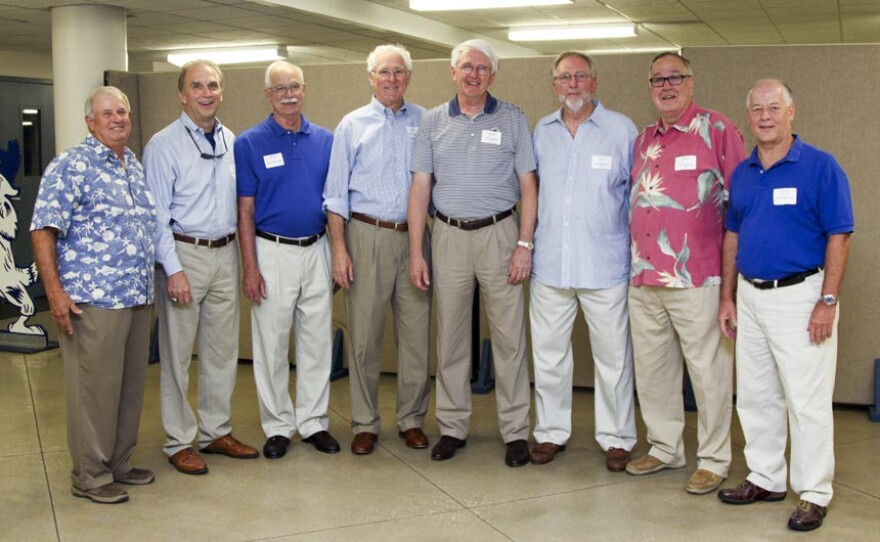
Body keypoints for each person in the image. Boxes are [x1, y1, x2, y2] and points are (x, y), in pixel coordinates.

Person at [717, 79, 853, 532]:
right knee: (756, 396)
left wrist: (827, 301)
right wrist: (727, 296)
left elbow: (839, 234)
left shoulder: (820, 166)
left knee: (807, 401)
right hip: (751, 297)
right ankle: (766, 477)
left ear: (792, 111)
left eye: (774, 107)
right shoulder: (743, 172)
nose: (765, 116)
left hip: (802, 297)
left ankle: (814, 491)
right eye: (756, 109)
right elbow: (733, 235)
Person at [409, 39, 536, 467]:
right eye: (466, 67)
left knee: (509, 338)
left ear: (493, 76)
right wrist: (416, 250)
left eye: (482, 68)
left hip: (501, 234)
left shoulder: (514, 118)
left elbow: (528, 186)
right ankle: (452, 427)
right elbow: (421, 186)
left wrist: (525, 243)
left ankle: (516, 431)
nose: (474, 74)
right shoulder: (431, 121)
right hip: (448, 236)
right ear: (453, 72)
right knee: (451, 338)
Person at [626, 52, 746, 495]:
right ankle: (664, 447)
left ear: (691, 83)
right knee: (653, 371)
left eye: (675, 77)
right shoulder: (642, 139)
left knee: (709, 372)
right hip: (643, 274)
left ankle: (714, 459)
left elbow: (741, 203)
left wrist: (733, 281)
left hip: (698, 276)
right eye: (658, 79)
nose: (666, 85)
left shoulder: (717, 130)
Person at [31, 86, 156, 504]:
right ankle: (90, 474)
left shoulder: (131, 163)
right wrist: (54, 291)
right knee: (94, 390)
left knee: (128, 385)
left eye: (122, 111)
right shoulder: (71, 164)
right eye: (108, 113)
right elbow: (43, 229)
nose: (118, 118)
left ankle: (119, 461)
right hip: (93, 298)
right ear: (90, 121)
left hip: (136, 294)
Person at [143, 60, 259, 475]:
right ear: (182, 93)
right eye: (197, 86)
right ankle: (178, 441)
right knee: (177, 355)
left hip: (225, 252)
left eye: (213, 85)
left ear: (221, 92)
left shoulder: (231, 141)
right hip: (183, 254)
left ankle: (215, 431)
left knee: (222, 352)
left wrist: (246, 263)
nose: (206, 93)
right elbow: (155, 216)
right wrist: (172, 270)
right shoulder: (163, 145)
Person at [529, 51, 638, 469]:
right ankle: (551, 432)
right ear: (554, 84)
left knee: (612, 359)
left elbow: (636, 196)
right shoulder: (542, 131)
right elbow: (531, 193)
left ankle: (617, 438)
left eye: (580, 76)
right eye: (564, 78)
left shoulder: (621, 129)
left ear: (594, 81)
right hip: (551, 265)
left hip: (605, 265)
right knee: (550, 356)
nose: (572, 84)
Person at [323, 44, 431, 455]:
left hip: (417, 239)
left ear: (408, 77)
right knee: (365, 340)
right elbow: (335, 195)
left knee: (416, 335)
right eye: (384, 72)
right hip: (365, 236)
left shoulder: (426, 121)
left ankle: (412, 420)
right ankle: (365, 422)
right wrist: (339, 249)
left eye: (399, 72)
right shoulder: (351, 125)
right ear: (371, 77)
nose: (392, 79)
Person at [234, 60, 340, 459]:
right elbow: (244, 210)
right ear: (268, 95)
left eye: (294, 86)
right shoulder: (249, 143)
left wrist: (338, 251)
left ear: (304, 88)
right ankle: (278, 425)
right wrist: (250, 267)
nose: (289, 94)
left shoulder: (326, 140)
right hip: (271, 251)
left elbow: (335, 202)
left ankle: (313, 422)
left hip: (317, 249)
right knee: (272, 344)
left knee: (316, 343)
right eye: (280, 88)